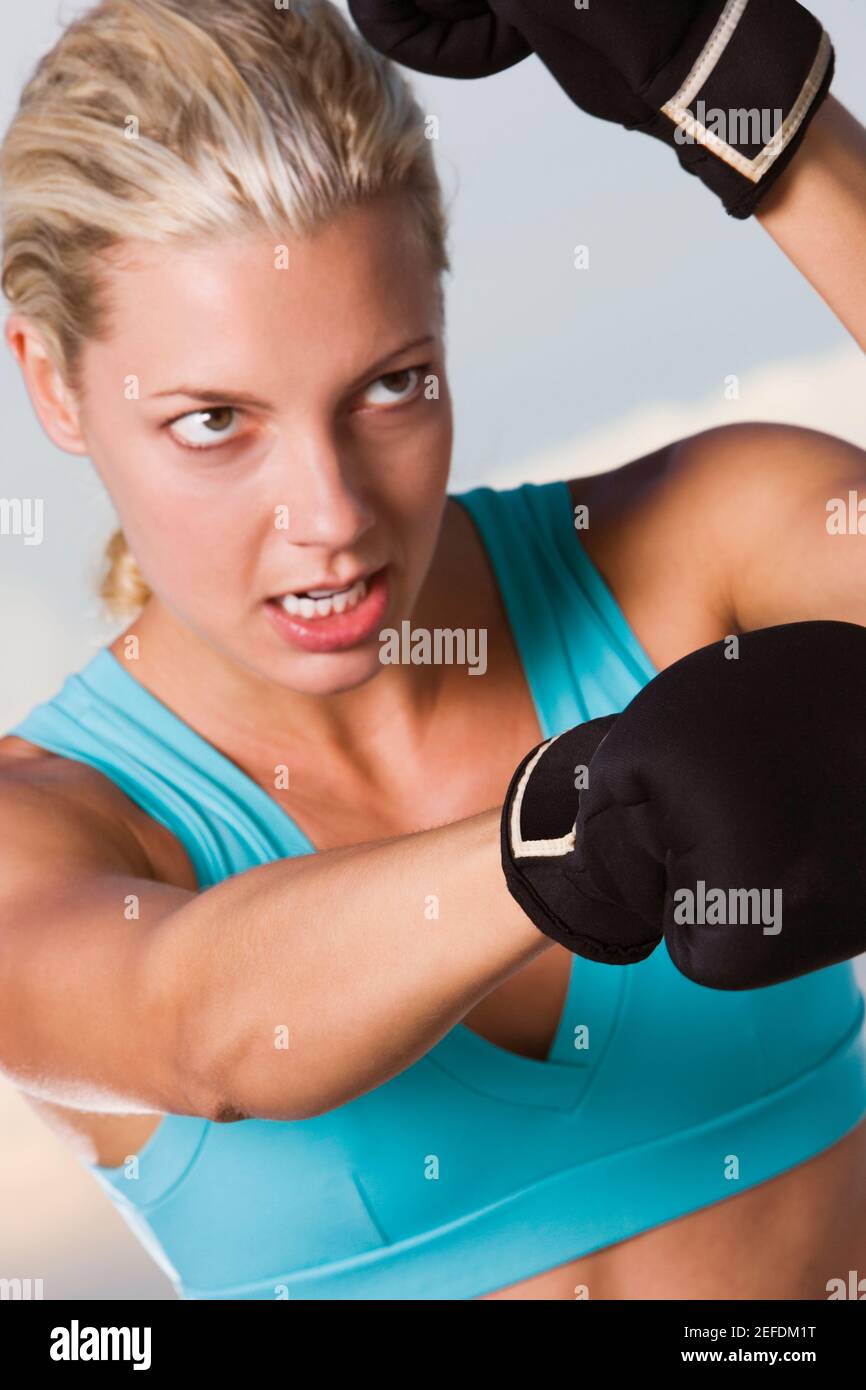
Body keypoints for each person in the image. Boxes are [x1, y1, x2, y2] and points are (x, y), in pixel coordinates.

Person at [0, 0, 865, 1302]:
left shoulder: (705, 550)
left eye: (389, 385)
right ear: (52, 382)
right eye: (214, 421)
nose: (333, 515)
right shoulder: (48, 828)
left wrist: (771, 122)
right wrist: (563, 834)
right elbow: (202, 1024)